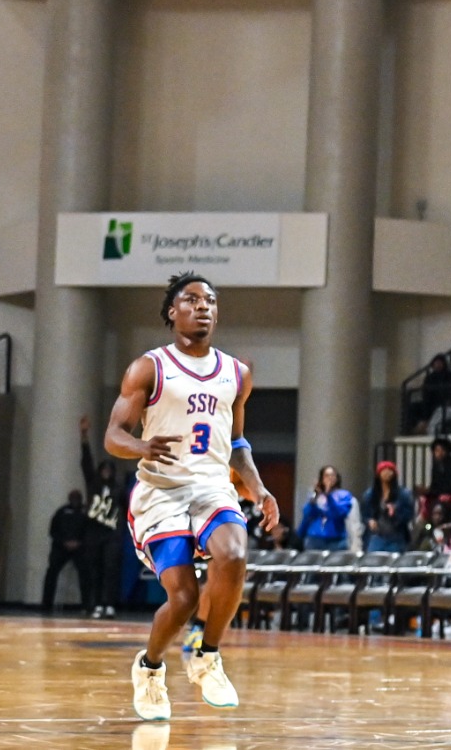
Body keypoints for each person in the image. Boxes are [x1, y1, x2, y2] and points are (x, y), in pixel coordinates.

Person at [103, 274, 280, 721]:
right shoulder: (148, 368)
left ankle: (207, 655)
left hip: (211, 487)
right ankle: (150, 668)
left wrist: (258, 490)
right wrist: (141, 447)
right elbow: (112, 436)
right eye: (192, 299)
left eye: (211, 301)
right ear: (172, 311)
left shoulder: (236, 373)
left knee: (235, 554)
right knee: (181, 599)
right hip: (161, 492)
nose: (204, 307)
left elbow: (236, 443)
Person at [80, 416, 127, 618]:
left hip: (112, 533)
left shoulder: (119, 488)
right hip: (94, 531)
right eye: (103, 469)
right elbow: (86, 463)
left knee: (111, 568)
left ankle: (109, 604)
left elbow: (127, 506)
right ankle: (97, 603)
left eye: (109, 469)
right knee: (94, 568)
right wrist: (84, 437)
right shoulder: (94, 484)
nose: (106, 472)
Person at [43, 490, 92, 614]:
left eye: (77, 498)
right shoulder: (61, 512)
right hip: (61, 547)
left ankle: (86, 605)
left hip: (80, 548)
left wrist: (79, 543)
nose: (75, 501)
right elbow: (53, 531)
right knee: (51, 571)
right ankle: (46, 604)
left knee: (86, 573)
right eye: (73, 498)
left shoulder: (86, 512)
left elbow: (90, 531)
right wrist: (64, 542)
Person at [297, 466, 355, 553]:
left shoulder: (344, 495)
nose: (330, 478)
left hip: (336, 540)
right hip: (315, 538)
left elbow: (339, 513)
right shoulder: (315, 495)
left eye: (332, 475)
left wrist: (328, 496)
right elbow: (307, 513)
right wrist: (315, 498)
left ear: (337, 478)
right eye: (326, 475)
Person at [366, 461, 413, 553]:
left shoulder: (403, 494)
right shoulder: (370, 494)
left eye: (390, 470)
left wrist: (396, 512)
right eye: (384, 470)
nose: (387, 473)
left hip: (396, 536)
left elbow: (409, 514)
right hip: (377, 536)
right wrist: (369, 520)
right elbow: (365, 513)